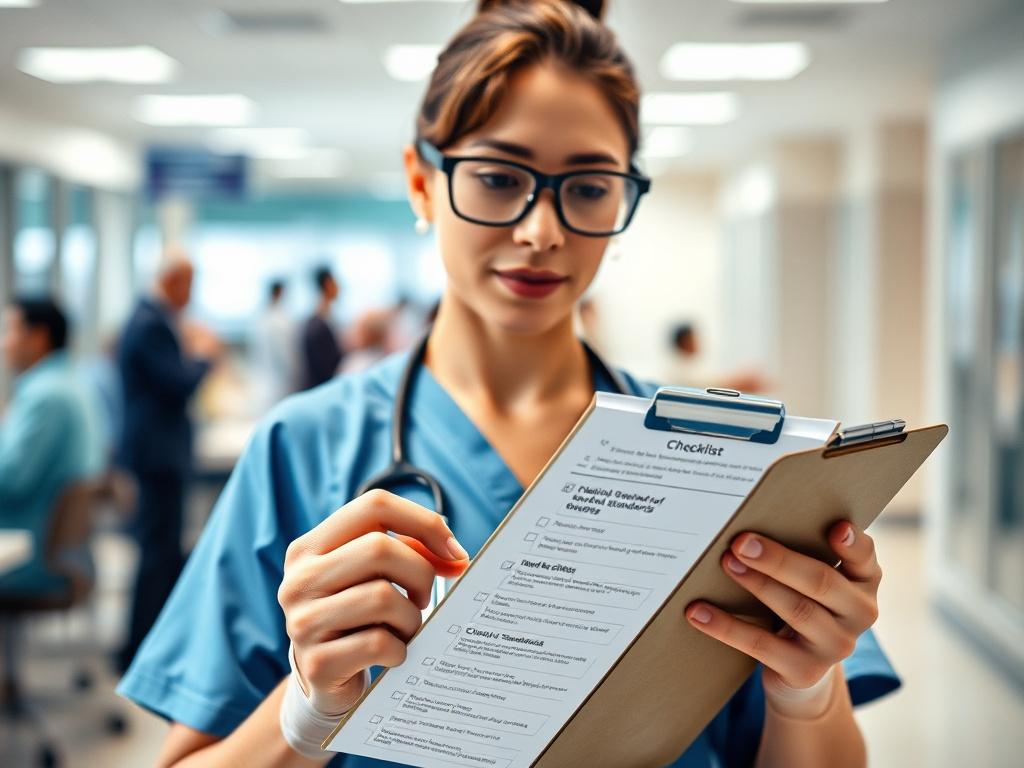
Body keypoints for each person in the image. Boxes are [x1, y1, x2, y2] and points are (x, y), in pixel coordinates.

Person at [118, 3, 898, 767]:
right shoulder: (306, 446)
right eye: (497, 177)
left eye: (589, 188)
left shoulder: (734, 456)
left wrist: (809, 691)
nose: (542, 231)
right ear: (422, 183)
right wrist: (310, 708)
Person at [116, 250, 221, 672]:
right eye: (190, 285)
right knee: (157, 554)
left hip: (158, 453)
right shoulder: (150, 324)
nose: (191, 296)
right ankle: (142, 650)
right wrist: (205, 356)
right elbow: (177, 384)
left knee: (161, 552)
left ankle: (148, 645)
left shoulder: (151, 320)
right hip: (157, 456)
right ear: (174, 280)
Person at [0, 297, 102, 593]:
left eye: (10, 330)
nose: (4, 343)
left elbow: (11, 480)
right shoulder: (72, 384)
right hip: (60, 549)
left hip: (29, 554)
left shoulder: (44, 397)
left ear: (39, 337)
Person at [667, 321, 769, 394]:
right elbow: (712, 385)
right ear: (684, 342)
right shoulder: (679, 371)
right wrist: (740, 380)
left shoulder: (690, 366)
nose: (698, 342)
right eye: (693, 339)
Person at [251, 279, 298, 413]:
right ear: (280, 293)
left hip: (265, 383)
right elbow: (286, 356)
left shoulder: (262, 318)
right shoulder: (279, 321)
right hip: (278, 385)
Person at [300, 267, 344, 390]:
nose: (339, 288)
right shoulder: (318, 325)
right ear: (327, 285)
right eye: (335, 283)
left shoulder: (327, 318)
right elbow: (325, 369)